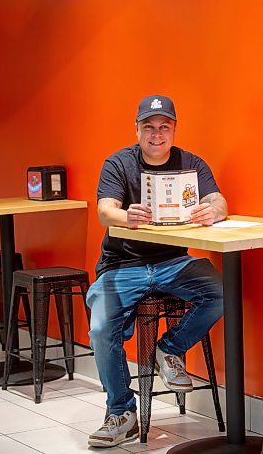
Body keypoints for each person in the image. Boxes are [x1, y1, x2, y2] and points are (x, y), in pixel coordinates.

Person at [87, 94, 228, 448]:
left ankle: (170, 349)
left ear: (174, 130)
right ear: (136, 130)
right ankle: (121, 413)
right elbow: (105, 210)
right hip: (122, 264)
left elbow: (218, 200)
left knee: (222, 291)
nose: (156, 134)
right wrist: (125, 216)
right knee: (102, 327)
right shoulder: (119, 163)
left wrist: (214, 212)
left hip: (173, 262)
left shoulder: (191, 163)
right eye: (148, 127)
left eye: (164, 127)